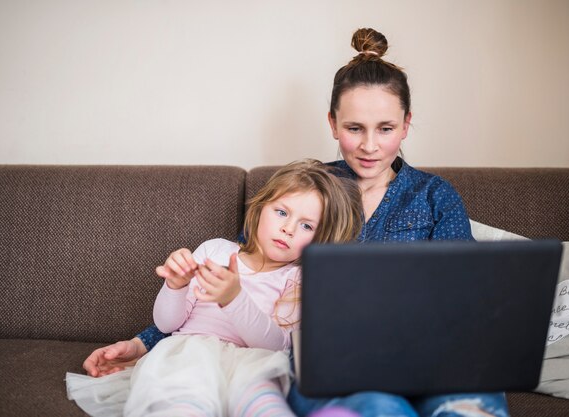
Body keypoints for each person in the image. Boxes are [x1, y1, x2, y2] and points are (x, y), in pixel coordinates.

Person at [81, 28, 511, 417]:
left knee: (467, 402)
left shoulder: (436, 197)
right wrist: (143, 343)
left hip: (423, 355)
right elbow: (238, 274)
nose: (369, 145)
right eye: (354, 128)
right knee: (379, 406)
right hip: (331, 363)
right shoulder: (307, 191)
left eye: (385, 128)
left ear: (406, 126)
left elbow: (464, 297)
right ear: (332, 124)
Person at [66, 159, 363, 417]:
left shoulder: (297, 279)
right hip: (188, 354)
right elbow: (167, 323)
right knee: (182, 403)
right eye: (282, 213)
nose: (288, 228)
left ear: (320, 238)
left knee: (263, 404)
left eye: (307, 226)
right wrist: (176, 284)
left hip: (252, 364)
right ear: (260, 209)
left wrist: (235, 298)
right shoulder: (215, 251)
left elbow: (276, 344)